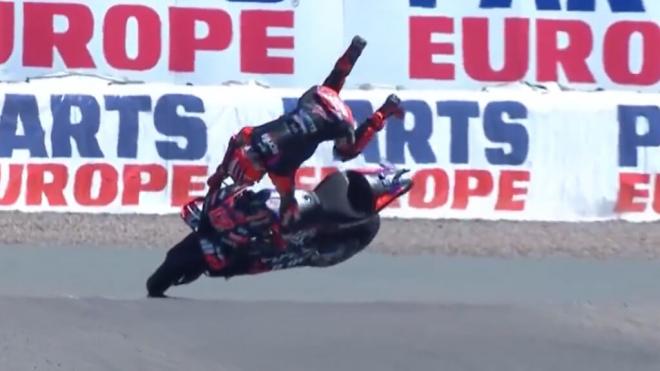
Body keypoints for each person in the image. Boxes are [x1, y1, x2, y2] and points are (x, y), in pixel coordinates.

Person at [206, 35, 405, 231]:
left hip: (339, 121)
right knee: (330, 86)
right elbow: (236, 141)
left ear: (256, 169)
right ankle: (354, 52)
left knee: (346, 152)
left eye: (252, 178)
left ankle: (381, 114)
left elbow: (287, 202)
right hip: (315, 98)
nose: (254, 181)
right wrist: (220, 172)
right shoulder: (252, 136)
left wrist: (284, 221)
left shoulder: (279, 169)